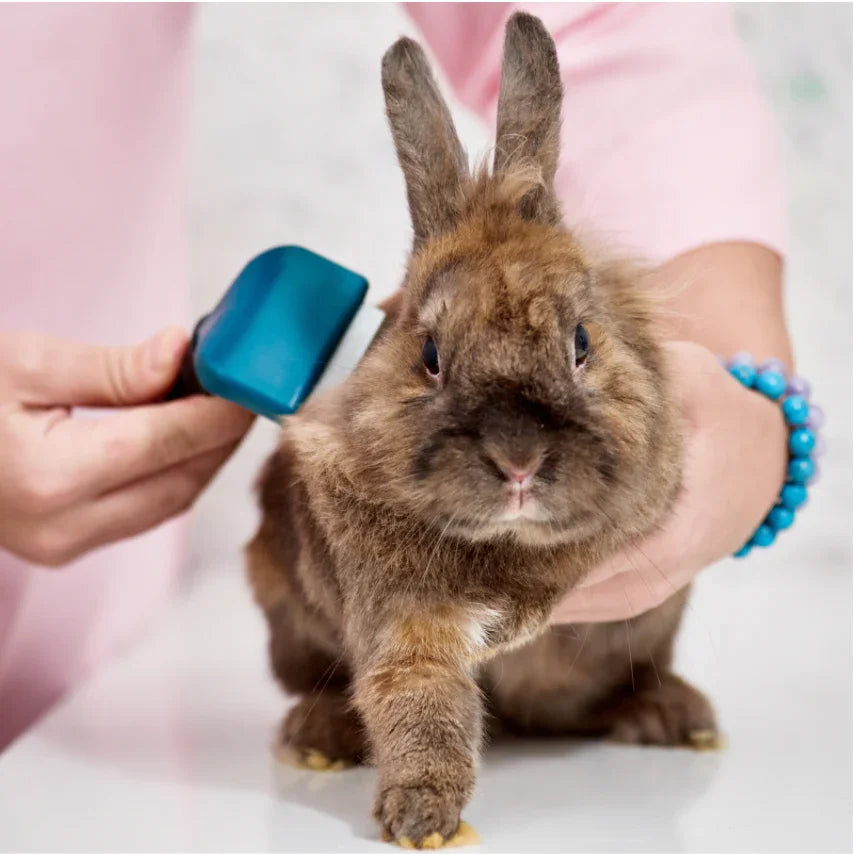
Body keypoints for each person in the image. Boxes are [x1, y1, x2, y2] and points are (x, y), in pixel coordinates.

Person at [0, 3, 791, 749]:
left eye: (577, 348)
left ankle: (611, 689)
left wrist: (755, 412)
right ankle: (339, 689)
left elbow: (612, 18)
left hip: (88, 606)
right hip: (103, 717)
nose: (516, 455)